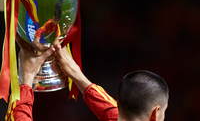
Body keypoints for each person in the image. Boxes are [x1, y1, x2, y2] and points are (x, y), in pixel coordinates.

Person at [5, 39, 169, 121]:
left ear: (118, 103)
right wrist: (77, 75)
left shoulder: (118, 110)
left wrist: (25, 78)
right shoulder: (121, 113)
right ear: (155, 113)